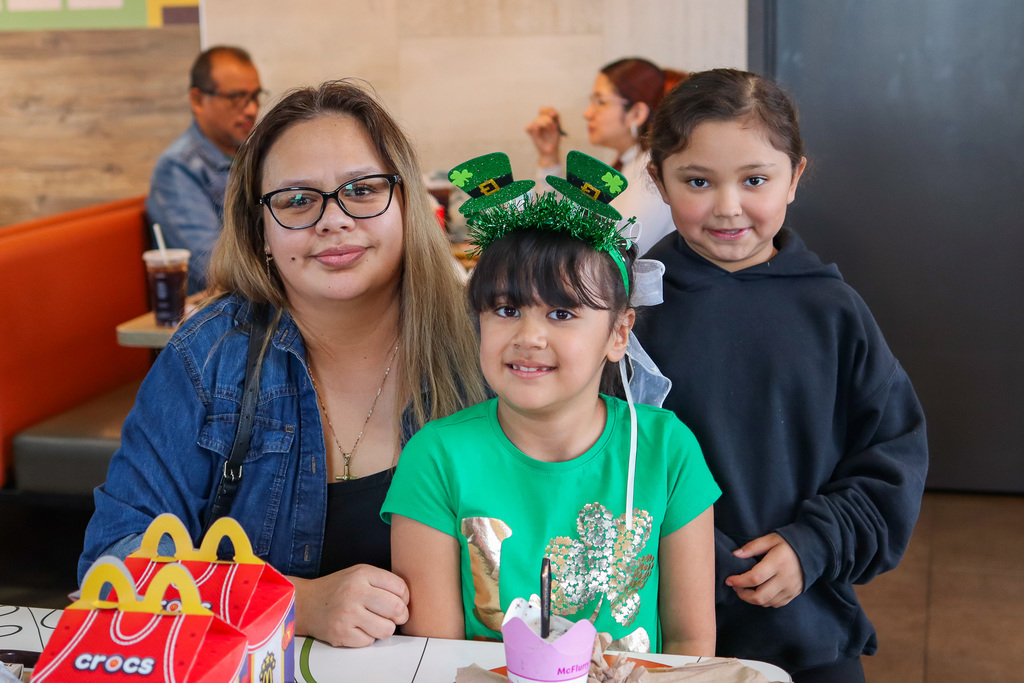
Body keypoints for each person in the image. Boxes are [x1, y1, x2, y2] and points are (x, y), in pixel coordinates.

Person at [80, 80, 486, 648]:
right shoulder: (208, 356)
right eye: (297, 200)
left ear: (406, 204)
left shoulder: (485, 342)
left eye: (362, 190)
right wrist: (293, 603)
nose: (333, 220)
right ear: (262, 231)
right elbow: (114, 562)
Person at [637, 68, 928, 681]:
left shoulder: (833, 311)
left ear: (794, 177)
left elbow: (892, 454)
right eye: (697, 181)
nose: (727, 207)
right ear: (658, 180)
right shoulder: (629, 309)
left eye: (755, 180)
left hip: (804, 627)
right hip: (652, 630)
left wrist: (815, 543)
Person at [383, 153, 720, 655]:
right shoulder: (436, 458)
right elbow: (433, 656)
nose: (529, 336)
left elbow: (690, 644)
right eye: (506, 309)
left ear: (619, 333)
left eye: (562, 313)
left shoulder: (667, 451)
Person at [525, 58, 682, 256]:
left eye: (600, 102)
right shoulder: (623, 166)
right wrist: (548, 156)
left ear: (636, 113)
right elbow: (558, 224)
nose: (587, 113)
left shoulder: (650, 171)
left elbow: (620, 254)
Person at [146, 46, 262, 294]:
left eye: (255, 96)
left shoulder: (256, 155)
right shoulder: (177, 168)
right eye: (236, 97)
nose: (252, 109)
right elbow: (215, 269)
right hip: (225, 307)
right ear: (198, 100)